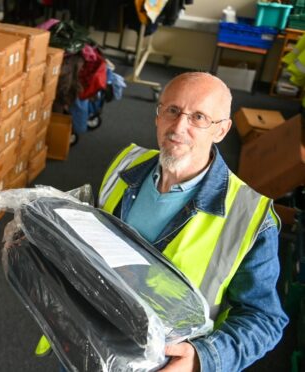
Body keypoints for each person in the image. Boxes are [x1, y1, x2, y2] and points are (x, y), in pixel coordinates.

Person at [96, 72, 288, 372]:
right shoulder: (126, 164)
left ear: (221, 130)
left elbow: (264, 319)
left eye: (198, 117)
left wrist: (202, 358)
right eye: (171, 110)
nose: (178, 127)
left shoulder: (250, 216)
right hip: (91, 340)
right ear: (158, 115)